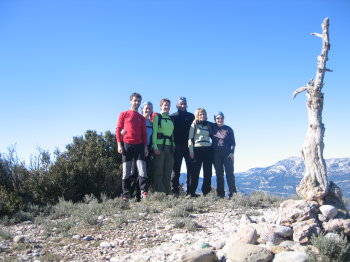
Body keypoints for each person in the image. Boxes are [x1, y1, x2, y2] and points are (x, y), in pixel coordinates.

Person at [116, 92, 149, 201]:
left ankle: (144, 193)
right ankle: (126, 195)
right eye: (135, 100)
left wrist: (145, 147)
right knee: (126, 171)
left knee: (142, 170)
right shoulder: (123, 114)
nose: (137, 102)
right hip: (126, 144)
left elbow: (144, 134)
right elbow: (118, 129)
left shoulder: (141, 118)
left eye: (139, 101)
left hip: (139, 145)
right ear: (131, 101)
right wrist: (119, 144)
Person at [171, 97, 195, 196]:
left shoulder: (191, 116)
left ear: (186, 105)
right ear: (177, 105)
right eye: (180, 103)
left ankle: (190, 192)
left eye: (184, 103)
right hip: (177, 146)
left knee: (191, 169)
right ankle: (174, 191)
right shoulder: (173, 116)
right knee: (176, 170)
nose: (182, 105)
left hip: (189, 146)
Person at [130, 101, 154, 200]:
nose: (147, 110)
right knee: (134, 172)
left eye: (149, 108)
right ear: (142, 109)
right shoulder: (139, 119)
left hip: (148, 149)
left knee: (144, 173)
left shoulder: (152, 123)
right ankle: (131, 195)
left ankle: (141, 195)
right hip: (138, 148)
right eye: (146, 108)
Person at [211, 111, 237, 198]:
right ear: (215, 119)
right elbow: (202, 120)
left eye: (221, 118)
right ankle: (220, 194)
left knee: (229, 173)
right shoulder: (212, 127)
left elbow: (233, 143)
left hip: (227, 154)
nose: (220, 120)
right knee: (219, 174)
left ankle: (233, 194)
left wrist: (232, 153)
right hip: (216, 154)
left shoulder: (228, 129)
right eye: (218, 118)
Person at [188, 108, 213, 197]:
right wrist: (191, 150)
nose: (202, 116)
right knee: (195, 173)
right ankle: (192, 193)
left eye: (204, 114)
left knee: (208, 173)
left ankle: (206, 193)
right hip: (197, 150)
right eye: (200, 114)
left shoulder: (208, 125)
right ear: (197, 116)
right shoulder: (194, 124)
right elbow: (190, 139)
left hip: (208, 150)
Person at [152, 98, 175, 194]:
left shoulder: (171, 119)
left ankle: (168, 192)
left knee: (168, 170)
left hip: (169, 146)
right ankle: (160, 192)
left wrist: (173, 145)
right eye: (165, 105)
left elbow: (172, 133)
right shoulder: (157, 117)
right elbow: (154, 132)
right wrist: (155, 147)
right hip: (160, 145)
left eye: (168, 105)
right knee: (159, 169)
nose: (166, 107)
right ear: (161, 106)